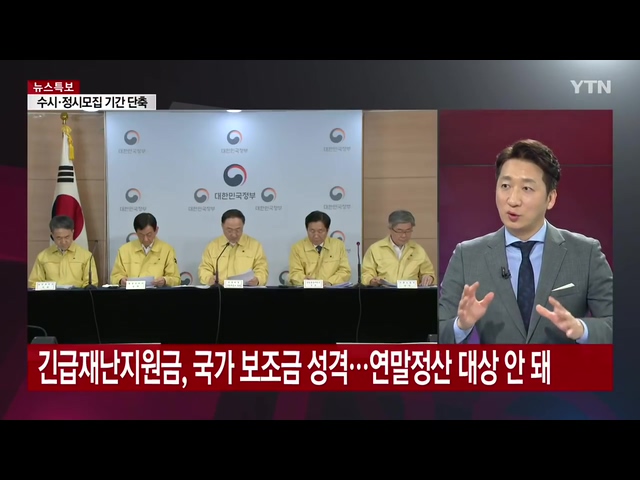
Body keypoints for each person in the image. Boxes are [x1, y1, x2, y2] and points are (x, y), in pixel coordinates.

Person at [438, 139, 613, 344]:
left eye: (527, 188)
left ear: (550, 198)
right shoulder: (467, 256)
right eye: (505, 186)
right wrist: (461, 325)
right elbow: (438, 330)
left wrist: (581, 329)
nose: (513, 200)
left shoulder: (586, 253)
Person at [361, 210, 436, 287]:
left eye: (408, 231)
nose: (404, 235)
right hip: (383, 292)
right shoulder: (375, 249)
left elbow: (428, 273)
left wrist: (429, 277)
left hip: (411, 293)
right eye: (399, 231)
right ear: (390, 229)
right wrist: (372, 281)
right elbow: (366, 274)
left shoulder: (418, 250)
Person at [198, 209, 269, 286]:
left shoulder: (255, 245)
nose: (234, 234)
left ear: (243, 225)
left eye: (238, 230)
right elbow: (205, 269)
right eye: (229, 230)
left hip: (246, 290)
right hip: (220, 291)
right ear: (222, 226)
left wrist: (258, 279)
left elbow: (262, 269)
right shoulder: (213, 246)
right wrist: (209, 279)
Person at [110, 213, 181, 287]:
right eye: (141, 235)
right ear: (136, 232)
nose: (145, 239)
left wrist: (165, 280)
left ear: (156, 230)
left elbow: (176, 279)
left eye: (149, 234)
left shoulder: (167, 250)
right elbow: (115, 276)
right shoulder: (124, 250)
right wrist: (120, 280)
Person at [28, 215, 98, 288]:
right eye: (59, 238)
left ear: (73, 232)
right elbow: (33, 283)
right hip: (50, 295)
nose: (63, 242)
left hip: (76, 294)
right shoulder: (43, 256)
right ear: (52, 235)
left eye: (67, 237)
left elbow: (91, 284)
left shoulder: (86, 256)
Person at [288, 210, 351, 286]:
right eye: (312, 231)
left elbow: (345, 271)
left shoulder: (338, 245)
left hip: (331, 290)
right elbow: (294, 273)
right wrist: (305, 280)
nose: (316, 235)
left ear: (327, 230)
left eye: (320, 231)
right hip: (306, 290)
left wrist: (329, 282)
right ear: (307, 229)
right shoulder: (297, 248)